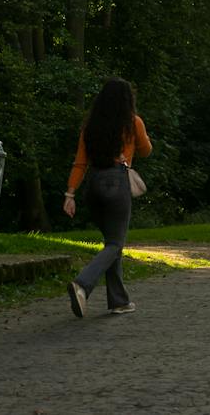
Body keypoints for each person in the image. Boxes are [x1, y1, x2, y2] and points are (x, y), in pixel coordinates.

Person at [62, 76, 151, 317]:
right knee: (115, 244)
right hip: (116, 183)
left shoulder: (90, 127)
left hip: (94, 184)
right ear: (127, 100)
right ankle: (82, 283)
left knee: (112, 242)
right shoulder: (133, 123)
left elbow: (80, 163)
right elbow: (146, 149)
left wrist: (70, 194)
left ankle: (119, 301)